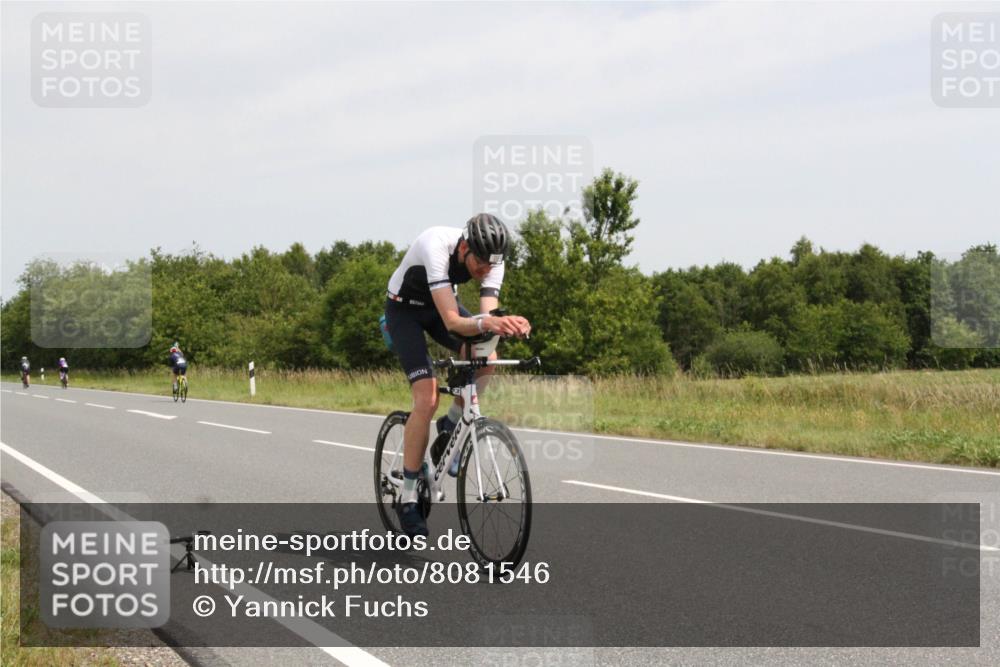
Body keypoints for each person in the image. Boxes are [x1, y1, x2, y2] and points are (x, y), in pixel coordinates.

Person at [384, 213, 531, 537]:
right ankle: (409, 495)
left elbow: (488, 315)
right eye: (480, 263)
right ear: (464, 247)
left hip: (438, 308)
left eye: (492, 266)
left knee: (487, 357)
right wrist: (487, 323)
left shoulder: (493, 260)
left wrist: (506, 324)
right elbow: (453, 321)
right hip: (405, 311)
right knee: (427, 396)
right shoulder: (436, 244)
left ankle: (450, 426)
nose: (485, 271)